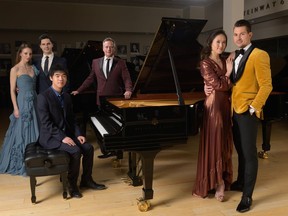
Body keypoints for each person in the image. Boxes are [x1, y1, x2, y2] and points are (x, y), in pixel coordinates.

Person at [37, 64, 107, 198]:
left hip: (66, 134)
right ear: (51, 78)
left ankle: (86, 180)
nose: (60, 79)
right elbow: (46, 123)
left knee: (88, 148)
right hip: (51, 137)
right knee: (75, 150)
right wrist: (62, 137)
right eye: (57, 76)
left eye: (63, 76)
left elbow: (72, 119)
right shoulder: (43, 97)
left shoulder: (67, 97)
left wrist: (78, 134)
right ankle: (72, 184)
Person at [227, 19, 273, 213]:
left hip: (247, 112)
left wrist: (253, 108)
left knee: (249, 154)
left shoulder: (260, 55)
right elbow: (235, 83)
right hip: (234, 110)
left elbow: (266, 86)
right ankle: (239, 182)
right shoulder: (235, 56)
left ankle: (247, 196)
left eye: (242, 34)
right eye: (235, 34)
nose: (238, 37)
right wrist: (229, 72)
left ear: (250, 35)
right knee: (240, 151)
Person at [71, 37, 133, 158]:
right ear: (103, 48)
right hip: (101, 100)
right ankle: (107, 150)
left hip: (116, 100)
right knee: (100, 126)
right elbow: (90, 79)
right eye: (106, 46)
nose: (108, 49)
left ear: (114, 48)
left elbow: (127, 78)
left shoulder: (121, 62)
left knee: (117, 127)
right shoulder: (95, 62)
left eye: (111, 46)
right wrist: (79, 90)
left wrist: (128, 90)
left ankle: (118, 152)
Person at [192, 30, 234, 202]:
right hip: (214, 108)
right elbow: (218, 84)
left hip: (226, 105)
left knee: (224, 141)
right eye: (218, 42)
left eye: (224, 42)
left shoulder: (225, 60)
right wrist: (228, 73)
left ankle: (221, 179)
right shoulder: (205, 63)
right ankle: (218, 183)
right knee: (215, 142)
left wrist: (227, 77)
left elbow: (227, 86)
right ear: (210, 43)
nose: (221, 45)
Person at [0, 43, 39, 176]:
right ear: (20, 54)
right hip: (22, 102)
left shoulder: (33, 67)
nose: (28, 56)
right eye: (26, 53)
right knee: (22, 130)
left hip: (35, 100)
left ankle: (36, 159)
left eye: (30, 53)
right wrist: (15, 108)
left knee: (36, 128)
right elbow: (12, 91)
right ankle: (22, 160)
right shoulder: (15, 69)